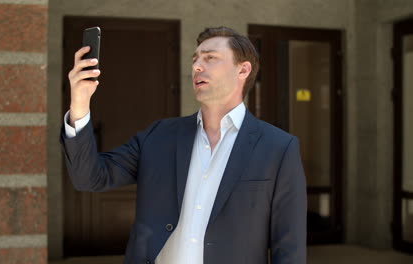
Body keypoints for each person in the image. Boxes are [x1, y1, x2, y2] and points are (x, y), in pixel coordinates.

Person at [60, 26, 307, 264]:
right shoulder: (159, 135)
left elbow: (288, 247)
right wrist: (80, 104)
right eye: (195, 59)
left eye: (210, 58)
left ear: (242, 70)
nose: (197, 66)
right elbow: (89, 178)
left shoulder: (278, 148)